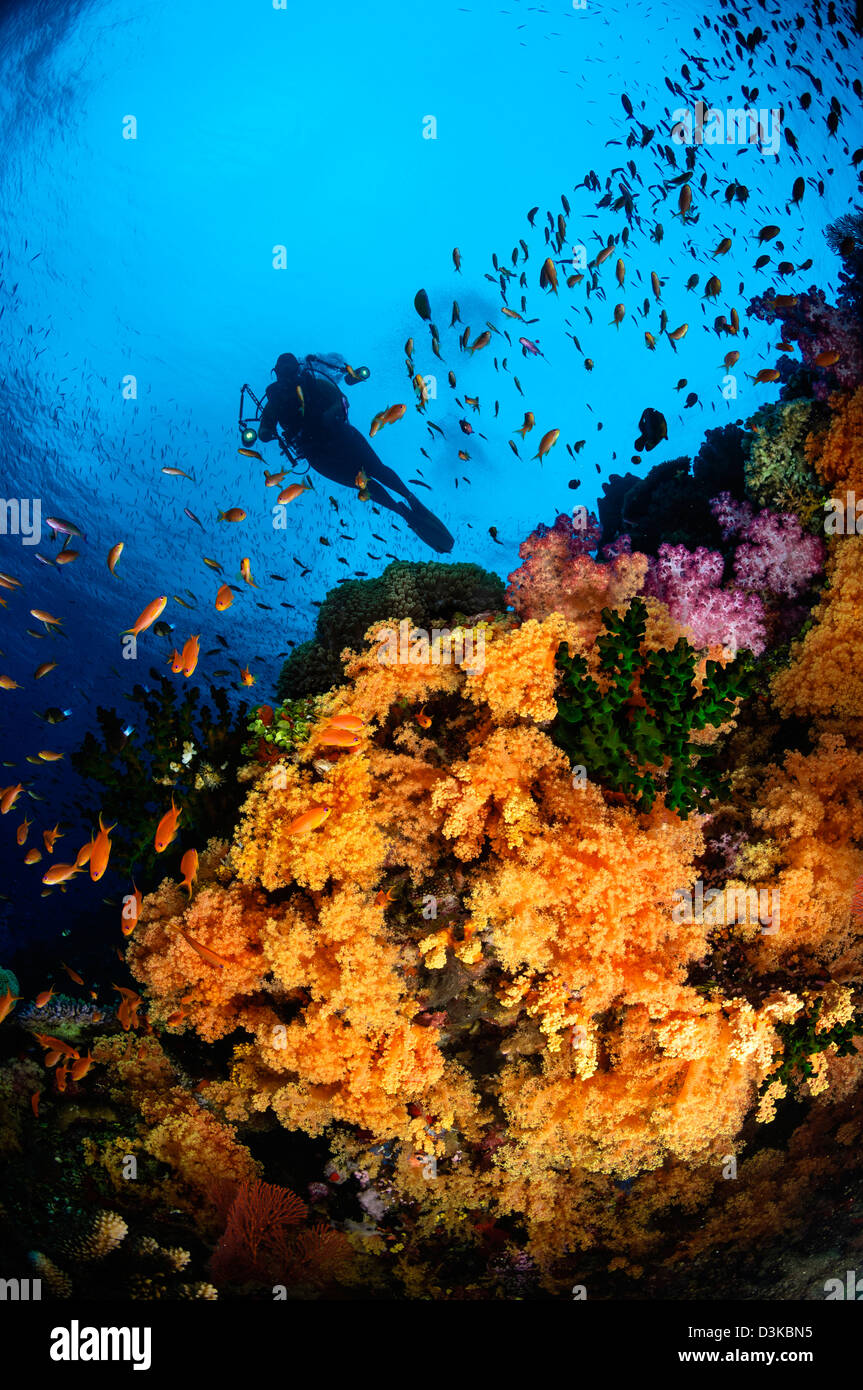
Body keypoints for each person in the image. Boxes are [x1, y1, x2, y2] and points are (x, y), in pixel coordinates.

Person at [257, 353, 454, 553]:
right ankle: (404, 508)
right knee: (369, 478)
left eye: (290, 371)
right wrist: (268, 433)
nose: (289, 376)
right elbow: (263, 431)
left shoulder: (312, 385)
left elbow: (342, 400)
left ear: (296, 369)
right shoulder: (276, 401)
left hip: (335, 441)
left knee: (375, 472)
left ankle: (408, 501)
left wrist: (327, 415)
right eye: (285, 372)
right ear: (278, 374)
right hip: (322, 451)